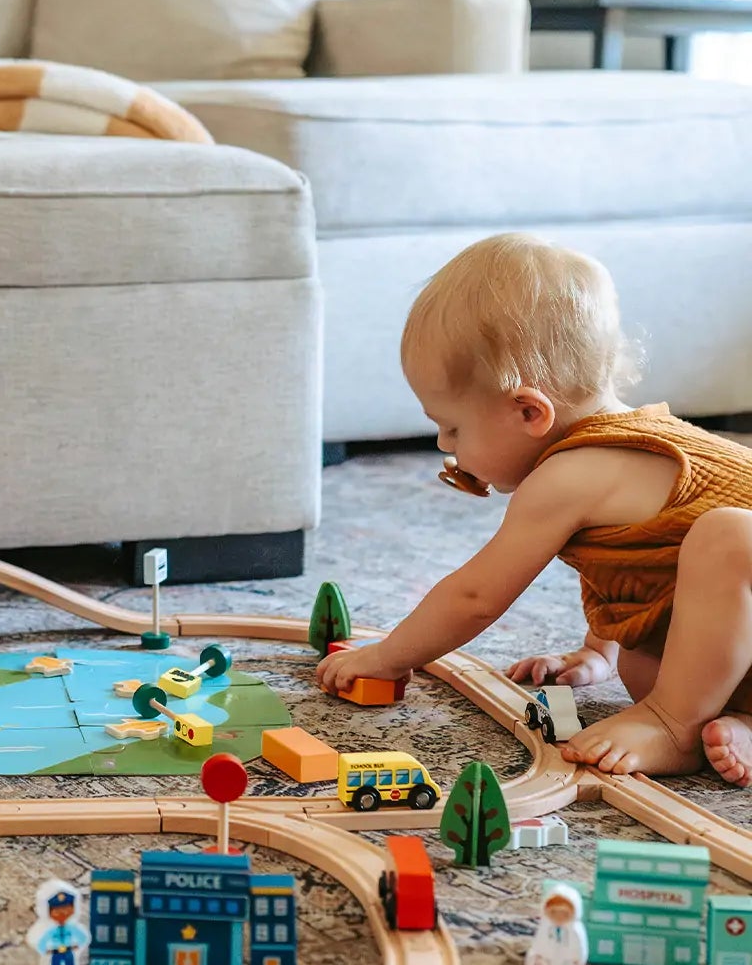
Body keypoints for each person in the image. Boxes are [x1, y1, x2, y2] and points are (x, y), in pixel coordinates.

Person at [315, 233, 752, 785]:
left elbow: (475, 596)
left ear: (528, 411)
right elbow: (634, 569)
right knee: (646, 664)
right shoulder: (613, 456)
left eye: (453, 428)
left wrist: (388, 657)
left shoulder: (569, 476)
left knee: (729, 536)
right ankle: (737, 722)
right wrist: (599, 651)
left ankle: (674, 724)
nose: (445, 445)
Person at [25, 881, 90, 965]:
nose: (62, 914)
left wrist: (78, 947)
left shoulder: (72, 927)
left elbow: (83, 937)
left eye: (67, 910)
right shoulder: (49, 929)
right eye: (57, 911)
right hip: (54, 953)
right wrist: (44, 950)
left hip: (69, 951)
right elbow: (39, 940)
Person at [525, 880, 587, 965]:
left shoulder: (575, 931)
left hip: (568, 960)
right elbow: (539, 942)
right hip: (549, 958)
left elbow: (580, 946)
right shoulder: (545, 928)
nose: (559, 917)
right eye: (554, 912)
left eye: (564, 913)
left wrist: (579, 959)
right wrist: (537, 954)